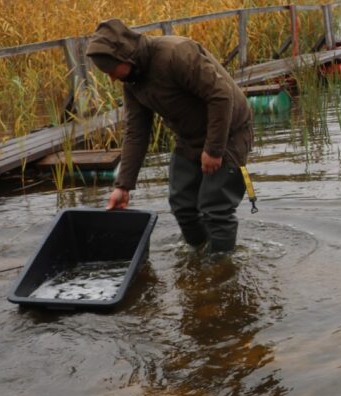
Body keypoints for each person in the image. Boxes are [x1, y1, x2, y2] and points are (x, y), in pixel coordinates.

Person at [85, 18, 254, 252]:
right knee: (182, 205)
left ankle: (221, 268)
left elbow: (221, 96)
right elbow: (136, 132)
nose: (112, 78)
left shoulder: (175, 54)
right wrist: (123, 186)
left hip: (230, 133)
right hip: (189, 139)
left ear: (126, 56)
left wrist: (214, 149)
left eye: (112, 70)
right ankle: (200, 255)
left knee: (215, 208)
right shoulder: (132, 82)